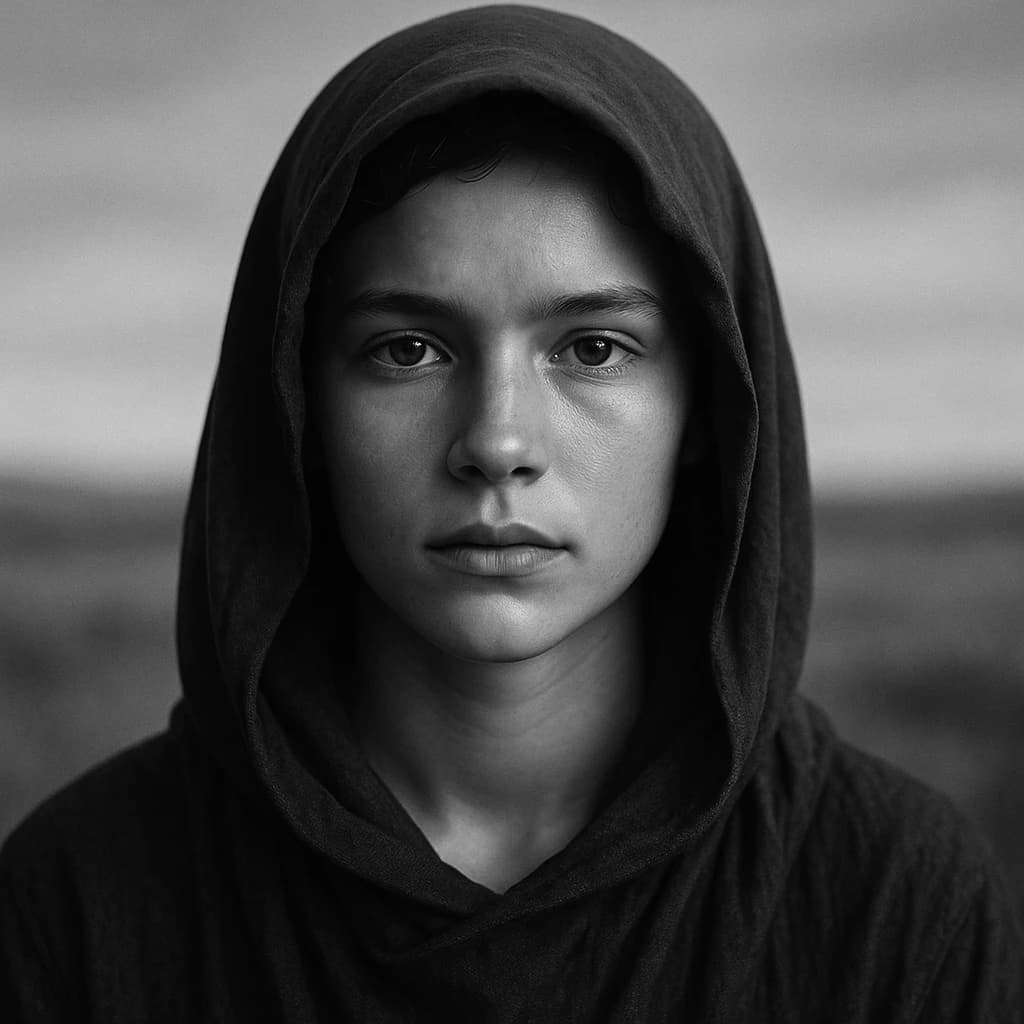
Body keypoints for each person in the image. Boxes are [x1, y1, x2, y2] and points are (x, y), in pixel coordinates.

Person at [1, 5, 1020, 1020]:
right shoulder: (76, 901)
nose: (496, 440)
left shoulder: (895, 901)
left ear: (707, 404)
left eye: (592, 348)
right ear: (297, 400)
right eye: (408, 348)